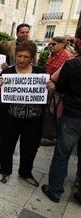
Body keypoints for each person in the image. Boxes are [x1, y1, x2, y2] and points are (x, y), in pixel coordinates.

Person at [0, 40, 54, 186]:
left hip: (34, 118)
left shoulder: (40, 73)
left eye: (26, 57)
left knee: (30, 147)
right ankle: (5, 170)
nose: (22, 59)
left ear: (32, 58)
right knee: (7, 145)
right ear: (15, 56)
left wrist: (51, 88)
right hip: (10, 117)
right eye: (19, 56)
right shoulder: (7, 73)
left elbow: (47, 97)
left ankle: (25, 172)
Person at [42, 26, 81, 205]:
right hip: (73, 115)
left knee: (62, 153)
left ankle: (55, 190)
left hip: (72, 116)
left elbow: (61, 87)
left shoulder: (72, 64)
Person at [41, 36, 74, 146]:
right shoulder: (52, 55)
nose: (50, 46)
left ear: (62, 45)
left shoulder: (67, 57)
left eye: (53, 44)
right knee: (48, 110)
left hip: (58, 90)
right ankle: (46, 133)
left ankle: (51, 136)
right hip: (48, 87)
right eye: (49, 44)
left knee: (53, 112)